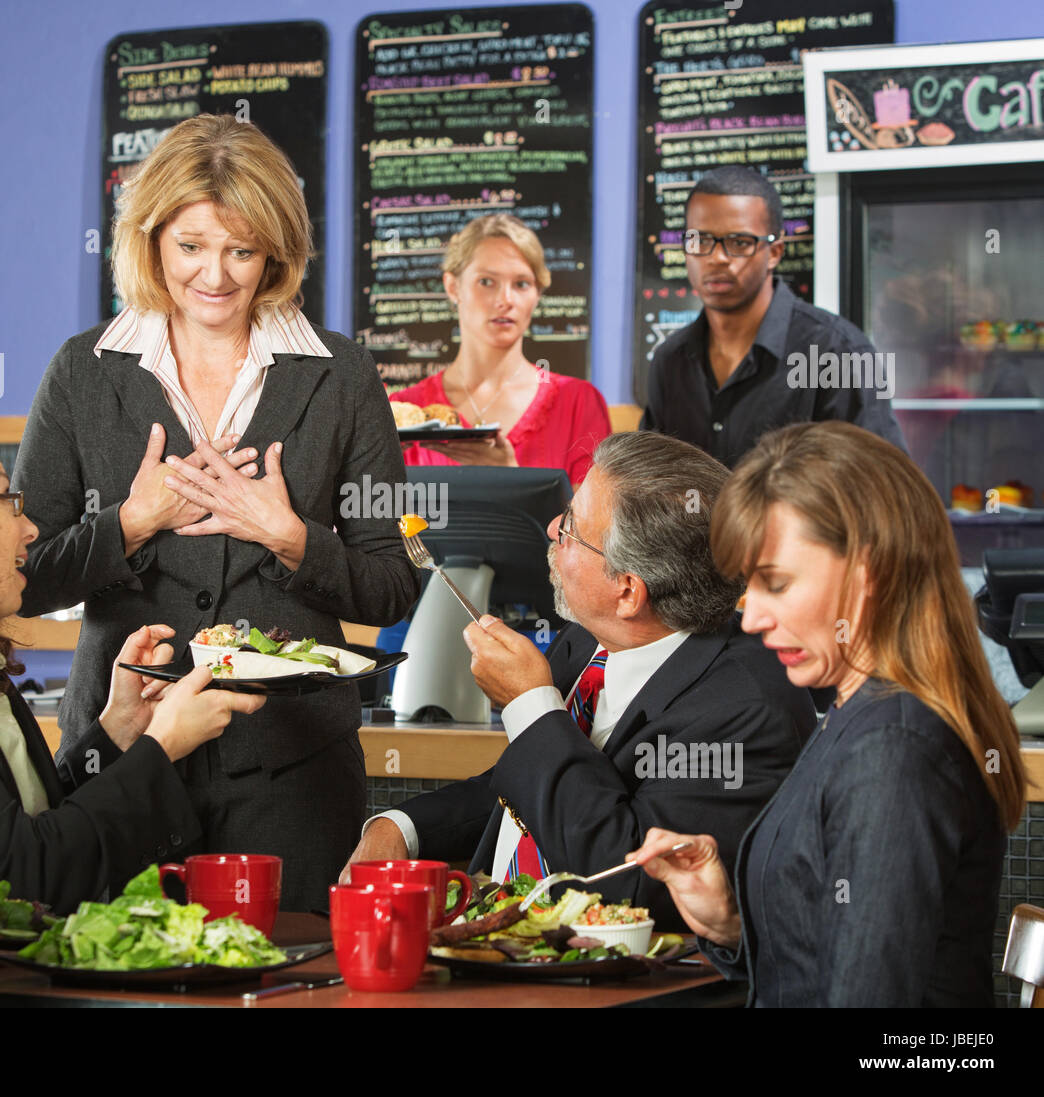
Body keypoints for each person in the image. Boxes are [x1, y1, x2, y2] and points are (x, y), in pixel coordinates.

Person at [12, 115, 419, 911]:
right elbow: (17, 579)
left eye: (242, 248)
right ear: (151, 236)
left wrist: (289, 536)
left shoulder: (341, 374)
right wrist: (132, 521)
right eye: (191, 245)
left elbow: (393, 584)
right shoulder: (82, 372)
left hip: (294, 771)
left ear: (276, 249)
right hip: (124, 755)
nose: (216, 275)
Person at [343, 431, 816, 931]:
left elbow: (625, 878)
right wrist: (403, 828)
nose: (550, 528)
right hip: (493, 946)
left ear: (628, 591)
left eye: (570, 525)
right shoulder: (586, 640)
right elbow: (531, 788)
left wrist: (530, 706)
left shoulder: (747, 709)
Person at [629, 420, 1026, 1006]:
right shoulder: (858, 710)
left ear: (870, 575)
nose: (754, 617)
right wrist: (731, 924)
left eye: (778, 584)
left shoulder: (892, 747)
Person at [0, 418, 266, 913]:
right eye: (8, 501)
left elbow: (39, 817)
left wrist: (118, 731)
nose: (30, 529)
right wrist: (160, 748)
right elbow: (21, 874)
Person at [640, 166, 907, 467]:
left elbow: (882, 487)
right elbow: (653, 485)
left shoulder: (839, 352)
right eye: (699, 240)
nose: (716, 258)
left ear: (775, 252)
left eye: (739, 242)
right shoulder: (671, 361)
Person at [393, 214, 611, 486]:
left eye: (521, 284)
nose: (505, 300)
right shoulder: (401, 411)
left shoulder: (578, 404)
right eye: (486, 281)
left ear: (537, 295)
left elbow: (592, 528)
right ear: (453, 286)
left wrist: (509, 476)